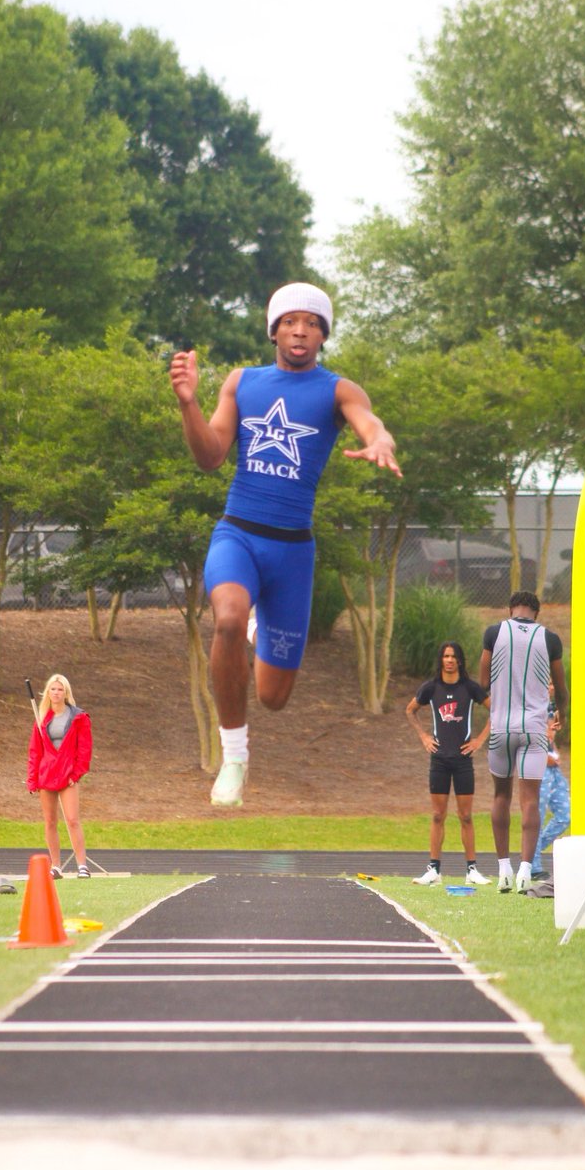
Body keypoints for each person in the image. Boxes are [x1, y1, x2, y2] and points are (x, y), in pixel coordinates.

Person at [169, 282, 401, 807]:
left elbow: (369, 423)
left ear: (323, 335)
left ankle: (257, 624)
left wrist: (380, 440)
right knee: (225, 617)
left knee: (274, 697)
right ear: (274, 329)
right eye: (291, 321)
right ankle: (234, 758)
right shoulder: (242, 382)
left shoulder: (338, 389)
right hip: (238, 533)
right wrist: (189, 405)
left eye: (313, 323)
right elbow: (209, 457)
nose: (301, 330)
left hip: (293, 553)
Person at [479, 591, 568, 894]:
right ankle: (526, 871)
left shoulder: (494, 632)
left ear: (510, 608)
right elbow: (562, 686)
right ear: (536, 613)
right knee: (530, 799)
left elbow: (481, 684)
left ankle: (503, 869)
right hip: (533, 729)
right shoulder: (550, 639)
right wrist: (562, 715)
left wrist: (495, 706)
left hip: (502, 728)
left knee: (500, 795)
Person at [405, 640, 491, 886]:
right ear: (441, 660)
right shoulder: (431, 688)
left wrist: (479, 740)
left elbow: (495, 711)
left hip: (463, 761)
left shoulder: (470, 688)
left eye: (454, 656)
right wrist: (423, 736)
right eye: (446, 656)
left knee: (465, 816)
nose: (450, 660)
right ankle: (433, 870)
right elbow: (410, 710)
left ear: (460, 660)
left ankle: (472, 870)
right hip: (439, 761)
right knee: (437, 815)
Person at [27, 673, 92, 878]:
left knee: (72, 819)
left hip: (68, 775)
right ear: (48, 692)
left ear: (66, 693)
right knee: (50, 821)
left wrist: (77, 772)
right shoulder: (41, 718)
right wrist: (32, 779)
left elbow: (84, 748)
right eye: (53, 689)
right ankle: (56, 866)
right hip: (46, 775)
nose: (56, 693)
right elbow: (35, 751)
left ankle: (82, 865)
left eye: (60, 689)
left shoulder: (78, 717)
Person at [530, 681, 571, 879]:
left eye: (553, 683)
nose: (551, 687)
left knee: (565, 815)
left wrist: (554, 751)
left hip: (553, 767)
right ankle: (533, 864)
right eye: (546, 683)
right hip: (539, 767)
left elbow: (550, 736)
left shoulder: (552, 708)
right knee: (537, 815)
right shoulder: (533, 707)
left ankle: (530, 852)